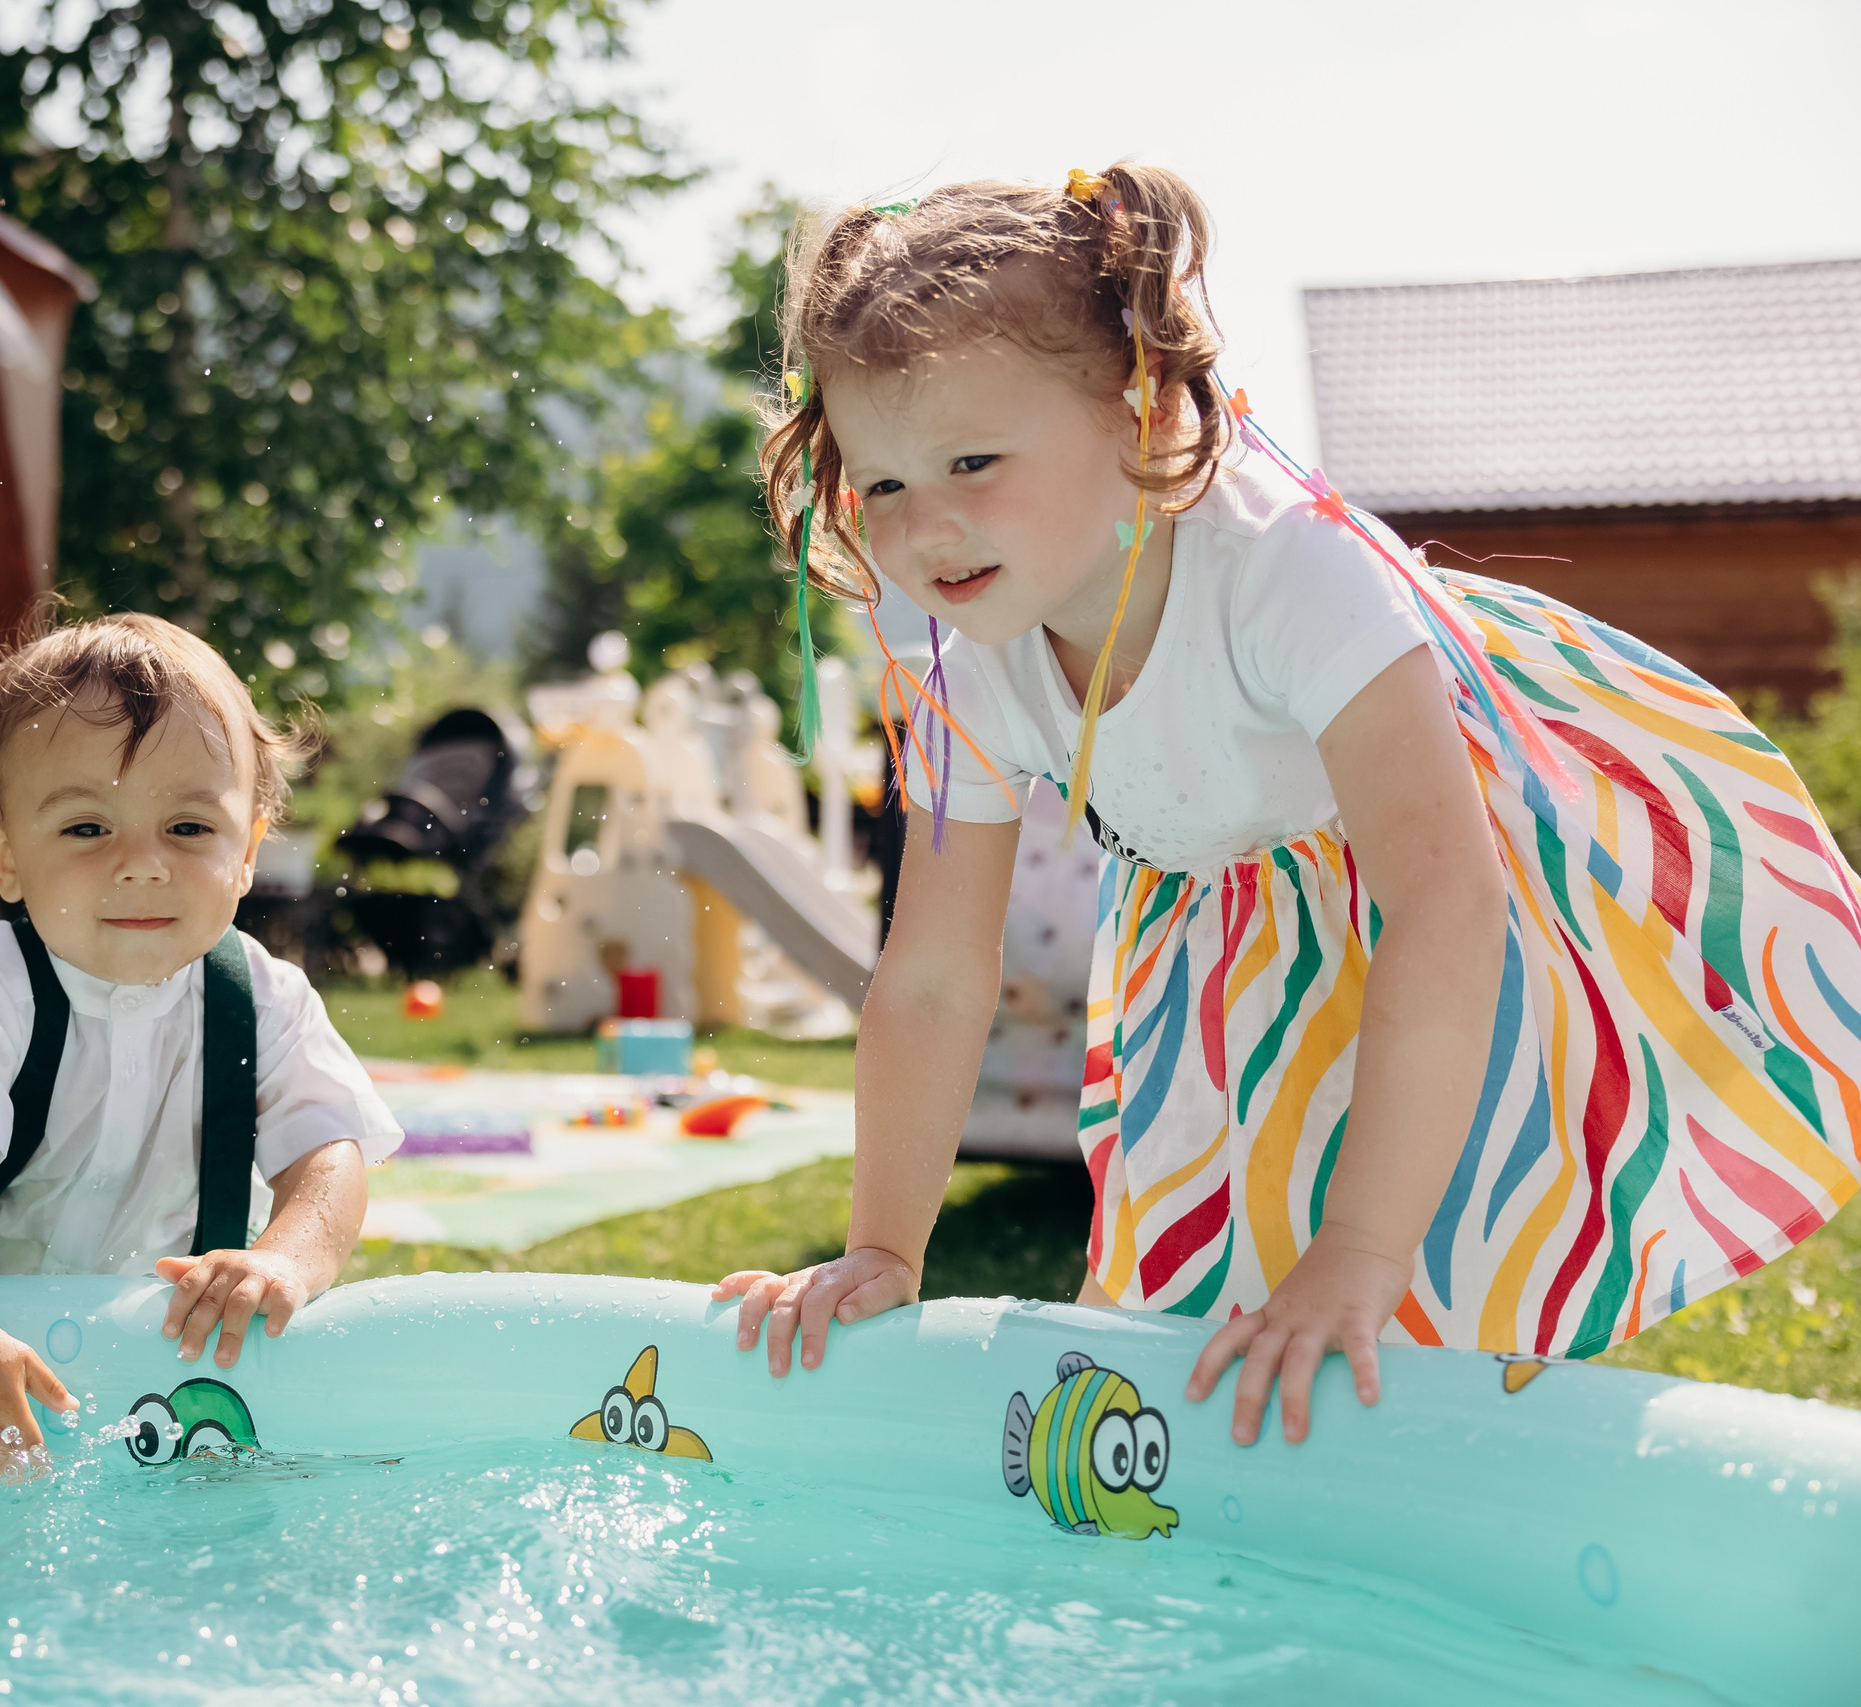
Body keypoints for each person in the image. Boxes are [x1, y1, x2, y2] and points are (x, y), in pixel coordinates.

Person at [716, 165, 1861, 1449]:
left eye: (971, 461)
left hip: (1482, 876)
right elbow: (931, 973)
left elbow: (1444, 904)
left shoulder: (1284, 572)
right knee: (1199, 1298)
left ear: (1138, 417)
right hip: (1232, 929)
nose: (924, 526)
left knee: (1433, 1274)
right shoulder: (955, 660)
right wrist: (881, 1241)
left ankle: (1464, 1485)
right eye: (879, 485)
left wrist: (1364, 1251)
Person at [0, 612, 401, 1495]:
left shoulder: (263, 999)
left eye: (189, 829)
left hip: (181, 1361)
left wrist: (284, 1258)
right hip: (3, 1340)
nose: (143, 865)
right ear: (4, 855)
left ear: (248, 852)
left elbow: (329, 1157)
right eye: (87, 829)